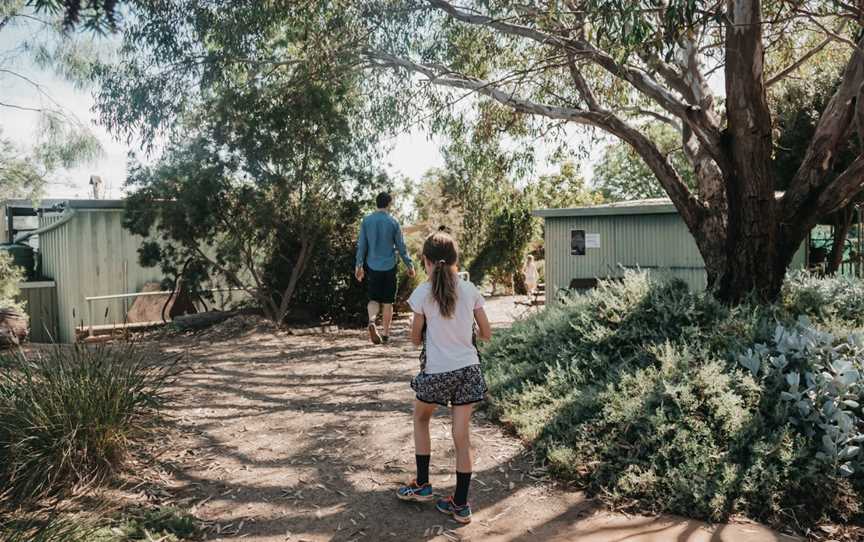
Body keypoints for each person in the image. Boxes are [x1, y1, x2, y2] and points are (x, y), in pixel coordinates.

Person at [396, 231, 493, 524]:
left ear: (425, 261)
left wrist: (425, 332)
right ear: (455, 261)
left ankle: (423, 484)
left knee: (421, 418)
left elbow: (414, 339)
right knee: (461, 438)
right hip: (468, 371)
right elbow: (487, 334)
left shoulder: (422, 293)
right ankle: (461, 505)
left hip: (437, 371)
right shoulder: (470, 289)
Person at [355, 192, 415, 345]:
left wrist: (359, 265)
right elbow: (401, 247)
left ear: (377, 203)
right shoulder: (393, 222)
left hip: (372, 266)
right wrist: (409, 265)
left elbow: (362, 245)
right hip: (389, 266)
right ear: (389, 204)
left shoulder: (367, 221)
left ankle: (372, 321)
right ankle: (386, 335)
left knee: (373, 299)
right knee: (388, 302)